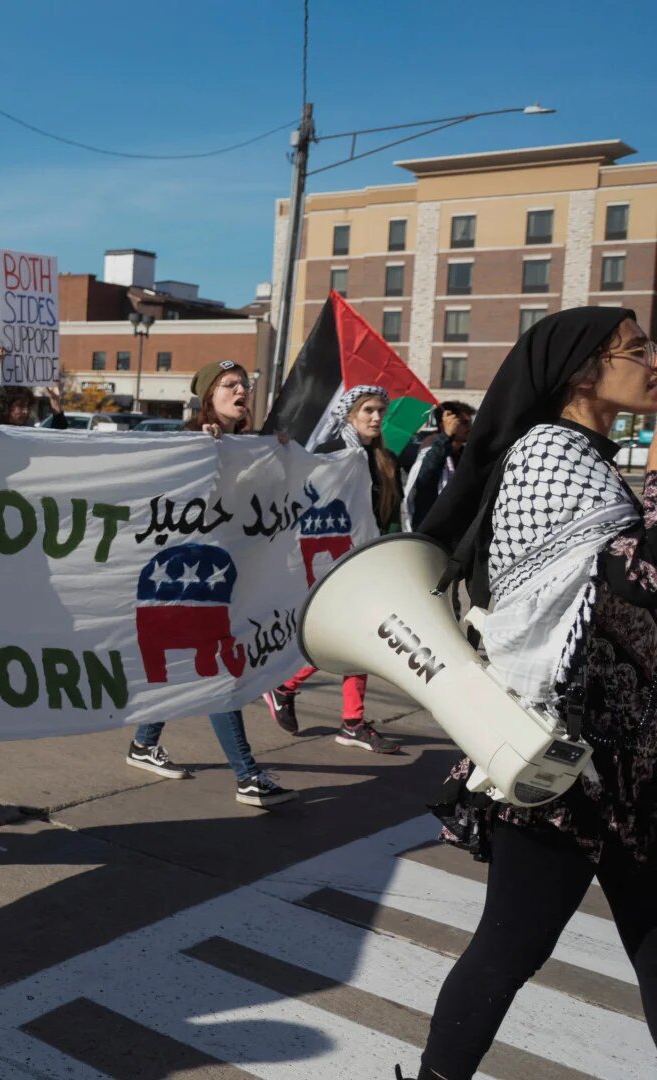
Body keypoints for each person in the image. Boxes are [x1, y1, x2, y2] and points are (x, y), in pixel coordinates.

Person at [411, 308, 657, 1078]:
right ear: (585, 369)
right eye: (638, 348)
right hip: (564, 759)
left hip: (631, 756)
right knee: (511, 946)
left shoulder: (594, 458)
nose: (654, 358)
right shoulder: (549, 454)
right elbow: (630, 576)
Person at [123, 361, 295, 807]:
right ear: (208, 397)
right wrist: (201, 451)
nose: (241, 391)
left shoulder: (248, 445)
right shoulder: (186, 441)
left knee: (197, 663)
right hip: (187, 577)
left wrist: (278, 457)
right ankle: (247, 774)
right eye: (229, 385)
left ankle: (144, 743)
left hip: (225, 575)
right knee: (221, 668)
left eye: (244, 385)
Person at [262, 386, 404, 753]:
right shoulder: (331, 454)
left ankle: (334, 711)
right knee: (351, 638)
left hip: (368, 560)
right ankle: (303, 695)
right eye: (368, 410)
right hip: (330, 563)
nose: (375, 418)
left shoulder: (385, 459)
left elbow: (388, 517)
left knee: (359, 639)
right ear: (349, 415)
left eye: (380, 411)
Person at [403, 401, 474, 531]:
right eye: (463, 423)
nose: (470, 427)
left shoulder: (463, 454)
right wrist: (446, 436)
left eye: (470, 422)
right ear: (445, 424)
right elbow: (426, 474)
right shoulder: (430, 450)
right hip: (432, 529)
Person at [0, 346, 70, 428]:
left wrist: (55, 402)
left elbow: (59, 438)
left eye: (27, 406)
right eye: (20, 406)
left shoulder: (28, 435)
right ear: (6, 407)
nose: (25, 411)